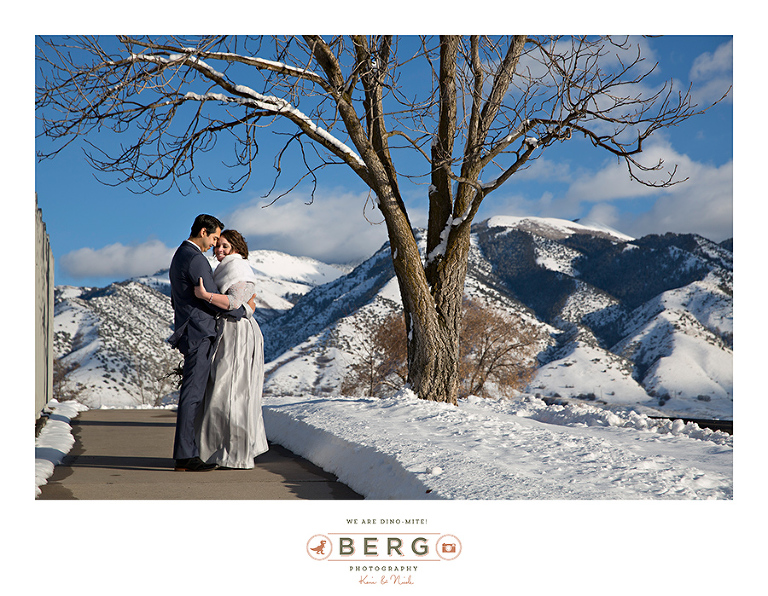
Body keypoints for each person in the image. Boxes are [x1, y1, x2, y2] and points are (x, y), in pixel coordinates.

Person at [168, 215, 256, 472]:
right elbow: (209, 298)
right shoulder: (195, 258)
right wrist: (244, 311)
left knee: (195, 393)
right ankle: (185, 456)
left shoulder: (181, 255)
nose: (215, 245)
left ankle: (190, 451)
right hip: (199, 332)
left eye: (221, 242)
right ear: (204, 232)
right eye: (215, 238)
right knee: (193, 394)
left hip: (192, 330)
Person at [193, 229, 269, 469]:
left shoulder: (239, 268)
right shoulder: (225, 268)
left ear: (236, 248)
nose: (219, 251)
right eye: (217, 246)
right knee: (223, 390)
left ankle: (235, 454)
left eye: (225, 246)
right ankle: (220, 451)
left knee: (232, 390)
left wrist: (205, 295)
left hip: (238, 334)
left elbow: (235, 302)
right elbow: (247, 304)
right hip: (228, 330)